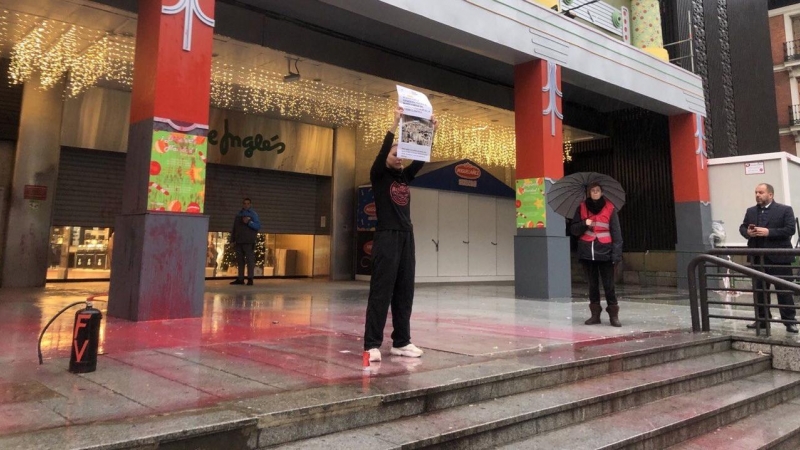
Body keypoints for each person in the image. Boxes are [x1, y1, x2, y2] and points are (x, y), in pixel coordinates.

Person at [363, 106, 437, 362]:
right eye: (396, 153)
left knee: (405, 291)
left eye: (402, 153)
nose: (400, 156)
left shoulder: (404, 177)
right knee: (381, 290)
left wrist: (431, 132)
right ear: (387, 156)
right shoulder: (379, 175)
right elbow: (383, 152)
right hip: (386, 236)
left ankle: (401, 341)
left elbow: (421, 159)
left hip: (407, 236)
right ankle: (372, 344)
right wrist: (394, 124)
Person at [739, 183, 797, 333]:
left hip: (780, 258)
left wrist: (768, 232)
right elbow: (743, 227)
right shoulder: (751, 211)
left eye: (761, 192)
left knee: (784, 291)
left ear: (770, 195)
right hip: (758, 258)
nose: (757, 195)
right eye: (756, 192)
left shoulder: (785, 210)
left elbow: (790, 229)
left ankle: (790, 321)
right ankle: (762, 320)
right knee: (759, 291)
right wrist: (748, 233)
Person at [570, 182, 623, 327]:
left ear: (601, 192)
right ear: (589, 193)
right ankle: (595, 315)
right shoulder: (581, 208)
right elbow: (574, 230)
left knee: (609, 286)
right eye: (592, 191)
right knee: (592, 286)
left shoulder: (610, 208)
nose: (595, 193)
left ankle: (613, 315)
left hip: (605, 252)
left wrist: (616, 255)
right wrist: (584, 223)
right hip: (587, 252)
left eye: (597, 190)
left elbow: (616, 234)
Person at [230, 198, 261, 286]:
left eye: (248, 203)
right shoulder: (238, 214)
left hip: (249, 241)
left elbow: (258, 226)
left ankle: (250, 279)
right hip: (239, 241)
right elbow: (234, 228)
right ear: (242, 204)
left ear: (250, 204)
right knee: (240, 261)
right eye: (244, 203)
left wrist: (249, 222)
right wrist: (232, 240)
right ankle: (240, 278)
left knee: (249, 260)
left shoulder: (253, 214)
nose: (246, 205)